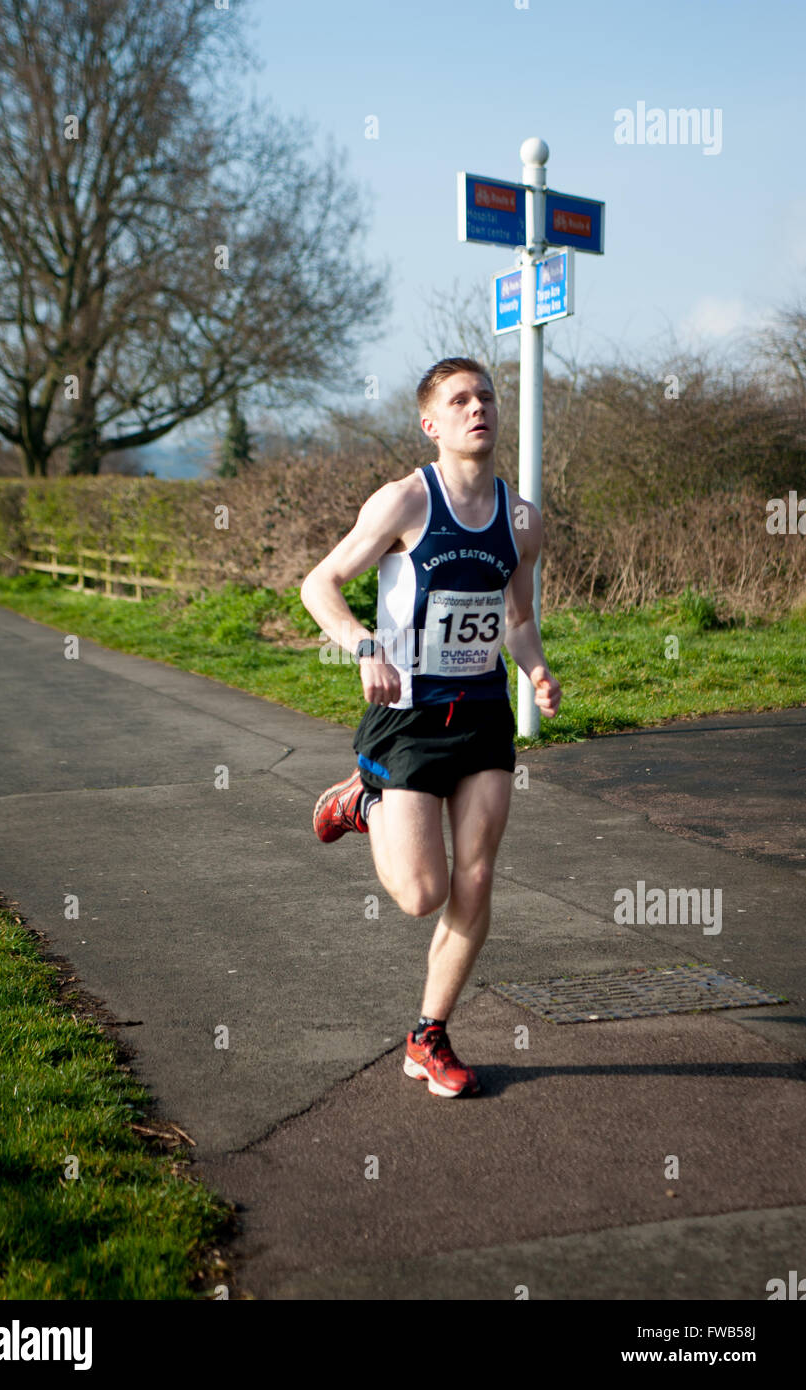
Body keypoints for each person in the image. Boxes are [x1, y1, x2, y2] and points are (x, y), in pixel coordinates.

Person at [299, 357, 561, 1097]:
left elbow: (515, 618)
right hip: (406, 719)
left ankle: (427, 1035)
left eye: (485, 397)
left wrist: (534, 669)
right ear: (431, 423)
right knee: (420, 893)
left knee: (474, 881)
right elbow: (318, 584)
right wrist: (363, 645)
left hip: (481, 715)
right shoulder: (404, 501)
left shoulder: (522, 520)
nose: (477, 408)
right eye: (459, 399)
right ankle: (366, 799)